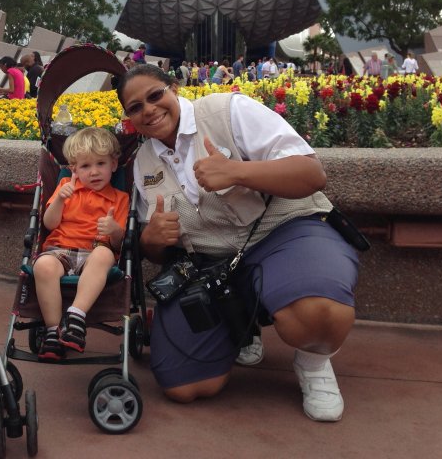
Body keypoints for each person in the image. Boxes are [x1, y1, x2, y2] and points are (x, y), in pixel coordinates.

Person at [116, 64, 359, 422]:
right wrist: (151, 240)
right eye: (136, 107)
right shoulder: (143, 162)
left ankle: (313, 361)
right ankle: (241, 327)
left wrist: (238, 172)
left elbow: (312, 174)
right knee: (184, 385)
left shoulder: (228, 111)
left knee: (318, 315)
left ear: (175, 88)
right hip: (211, 265)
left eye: (155, 95)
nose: (149, 110)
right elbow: (156, 248)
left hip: (282, 234)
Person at [32, 127, 129, 360]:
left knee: (105, 255)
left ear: (114, 165)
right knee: (43, 265)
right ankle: (53, 330)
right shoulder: (66, 186)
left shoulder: (120, 198)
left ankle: (76, 316)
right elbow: (49, 224)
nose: (94, 172)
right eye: (85, 166)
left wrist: (115, 230)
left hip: (94, 252)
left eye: (100, 164)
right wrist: (60, 200)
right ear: (73, 169)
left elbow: (119, 244)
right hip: (60, 250)